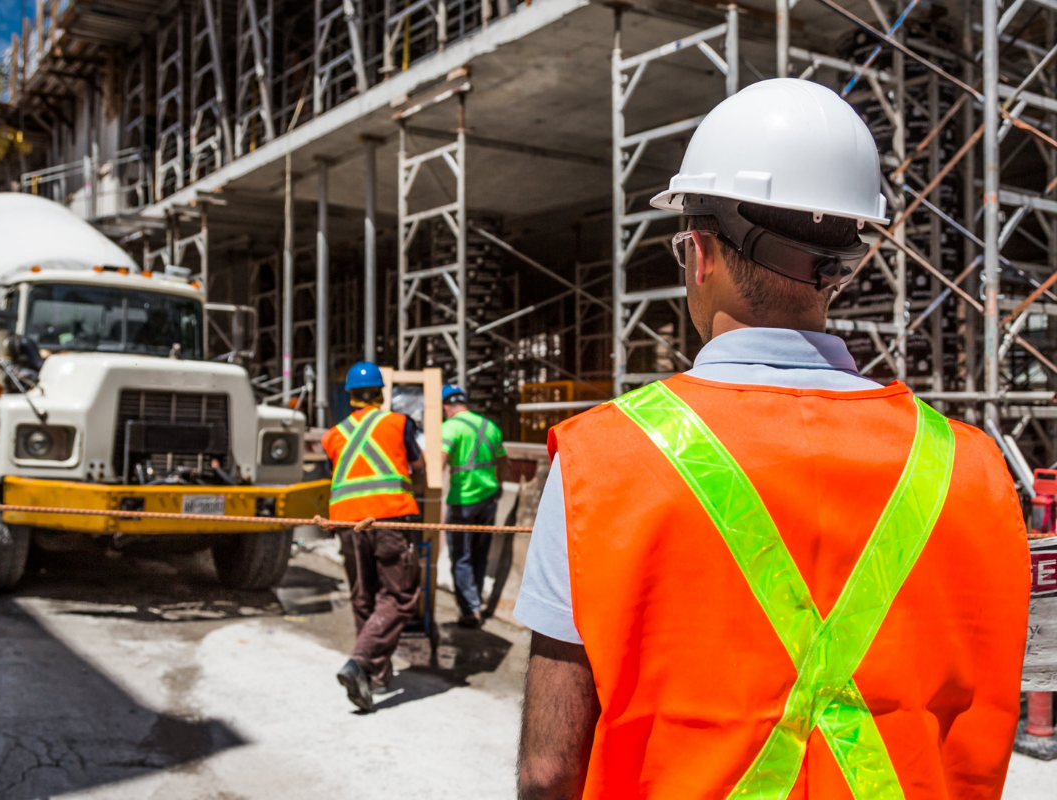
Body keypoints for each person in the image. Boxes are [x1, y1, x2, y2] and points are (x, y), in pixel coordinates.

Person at [514, 79, 1032, 799]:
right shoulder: (970, 467)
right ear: (841, 266)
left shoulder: (603, 461)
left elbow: (548, 770)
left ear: (699, 253)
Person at [322, 361, 427, 712]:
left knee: (364, 596)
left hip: (347, 525)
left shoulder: (333, 435)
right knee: (400, 597)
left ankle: (376, 677)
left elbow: (335, 474)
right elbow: (418, 464)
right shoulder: (398, 423)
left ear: (350, 395)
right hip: (388, 518)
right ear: (382, 393)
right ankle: (360, 662)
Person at [440, 384, 508, 628]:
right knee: (479, 554)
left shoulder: (450, 427)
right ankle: (475, 602)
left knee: (461, 556)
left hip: (462, 501)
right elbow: (504, 461)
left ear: (446, 407)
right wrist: (497, 486)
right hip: (488, 500)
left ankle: (470, 611)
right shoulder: (490, 426)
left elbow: (440, 459)